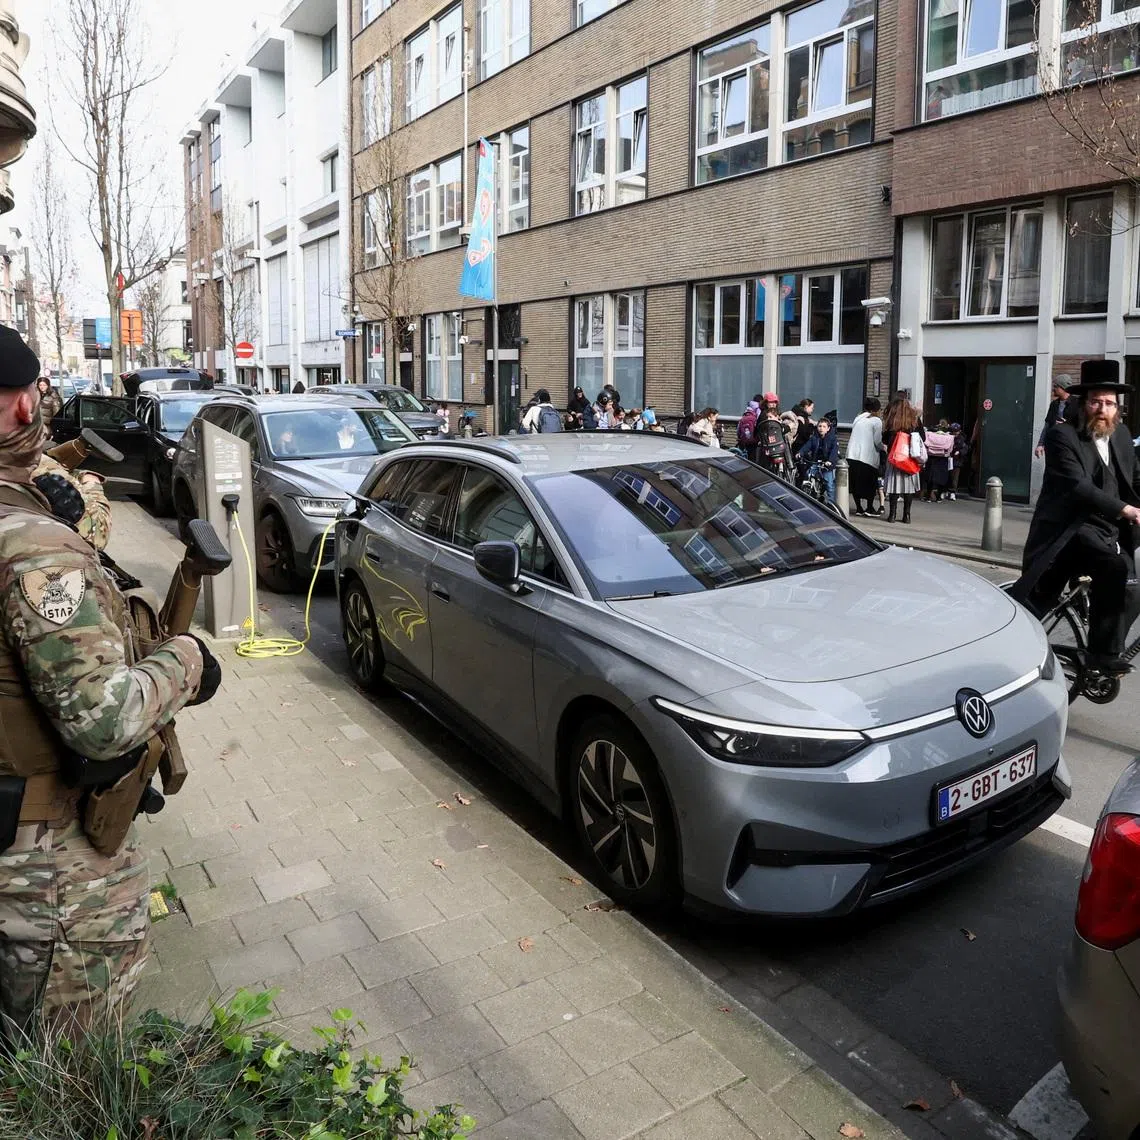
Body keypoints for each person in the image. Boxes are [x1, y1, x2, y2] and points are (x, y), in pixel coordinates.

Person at [0, 327, 219, 1037]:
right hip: (46, 868)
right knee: (72, 1079)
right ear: (25, 408)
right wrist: (187, 661)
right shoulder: (32, 548)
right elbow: (101, 719)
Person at [1011, 360, 1140, 674]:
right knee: (1113, 566)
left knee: (1134, 586)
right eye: (1096, 401)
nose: (1102, 408)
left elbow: (1135, 479)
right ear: (1084, 402)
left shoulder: (1121, 434)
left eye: (1109, 403)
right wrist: (1125, 509)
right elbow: (1077, 486)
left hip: (1108, 528)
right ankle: (1101, 655)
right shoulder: (1062, 437)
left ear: (1118, 408)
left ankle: (1108, 643)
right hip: (1069, 529)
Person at [882, 395, 924, 523]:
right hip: (910, 458)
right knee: (909, 489)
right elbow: (923, 437)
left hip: (895, 458)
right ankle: (907, 515)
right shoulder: (915, 420)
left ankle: (892, 515)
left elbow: (885, 439)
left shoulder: (892, 421)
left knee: (894, 488)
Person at [845, 398, 883, 516]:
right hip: (867, 457)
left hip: (852, 454)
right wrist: (884, 447)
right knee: (869, 484)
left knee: (855, 483)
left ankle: (859, 508)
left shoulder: (858, 418)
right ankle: (869, 507)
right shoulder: (876, 421)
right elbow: (877, 441)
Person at [796, 418, 839, 503]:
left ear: (828, 428)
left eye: (824, 426)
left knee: (829, 485)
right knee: (808, 474)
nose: (821, 428)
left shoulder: (832, 439)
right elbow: (807, 446)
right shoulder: (814, 438)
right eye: (819, 426)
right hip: (816, 462)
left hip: (827, 464)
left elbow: (834, 451)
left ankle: (831, 504)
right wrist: (800, 453)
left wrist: (830, 461)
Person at [1035, 375, 1074, 458]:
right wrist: (1040, 444)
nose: (1053, 389)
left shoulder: (1077, 404)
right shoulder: (1054, 404)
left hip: (1069, 448)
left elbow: (1082, 426)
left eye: (1056, 386)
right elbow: (1047, 425)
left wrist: (1067, 425)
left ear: (1063, 388)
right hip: (1053, 446)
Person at [921, 420, 955, 502]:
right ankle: (939, 497)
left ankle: (928, 497)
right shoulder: (949, 436)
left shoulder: (930, 434)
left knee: (930, 477)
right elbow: (950, 449)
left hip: (932, 456)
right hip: (943, 457)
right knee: (942, 478)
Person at [947, 422, 969, 501]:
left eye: (956, 431)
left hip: (956, 460)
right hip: (948, 458)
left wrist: (959, 452)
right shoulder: (948, 436)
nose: (954, 433)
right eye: (953, 431)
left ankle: (953, 492)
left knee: (954, 477)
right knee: (947, 476)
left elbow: (965, 448)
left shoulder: (962, 439)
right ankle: (945, 490)